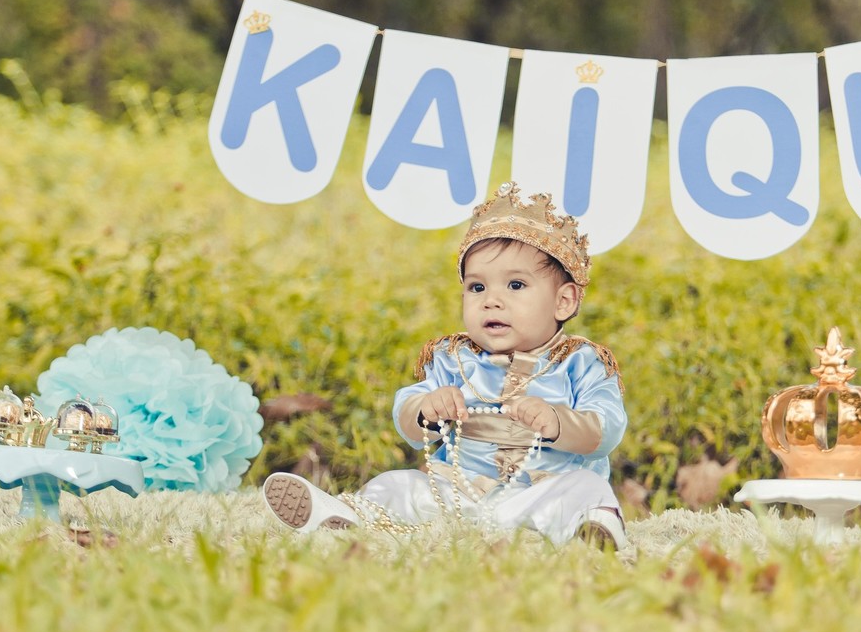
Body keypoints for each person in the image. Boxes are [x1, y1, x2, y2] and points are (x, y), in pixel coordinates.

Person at [263, 181, 629, 549]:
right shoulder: (453, 358)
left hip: (537, 495)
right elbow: (407, 417)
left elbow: (607, 428)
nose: (492, 301)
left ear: (563, 302)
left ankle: (593, 528)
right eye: (477, 288)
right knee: (398, 485)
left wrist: (558, 421)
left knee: (586, 489)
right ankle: (346, 516)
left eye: (516, 285)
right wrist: (428, 408)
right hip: (457, 493)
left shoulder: (581, 363)